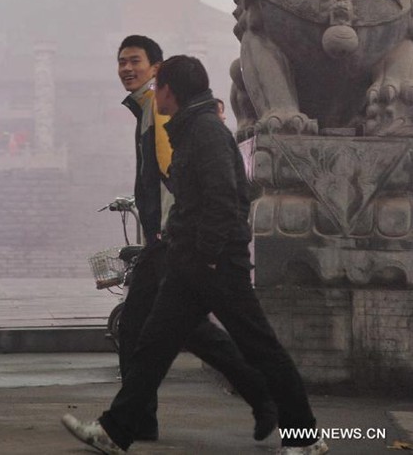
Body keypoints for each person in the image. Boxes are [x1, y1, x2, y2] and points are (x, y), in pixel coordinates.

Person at [62, 54, 328, 455]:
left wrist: (206, 256)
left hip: (216, 264)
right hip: (191, 262)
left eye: (159, 87)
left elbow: (224, 198)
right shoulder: (192, 128)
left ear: (170, 90)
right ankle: (115, 431)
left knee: (260, 347)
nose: (156, 95)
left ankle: (305, 438)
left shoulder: (204, 131)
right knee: (153, 346)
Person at [112, 36, 276, 442]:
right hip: (173, 236)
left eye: (135, 61)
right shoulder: (149, 109)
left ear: (158, 69)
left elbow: (176, 176)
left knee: (141, 326)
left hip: (173, 237)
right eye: (121, 62)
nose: (126, 69)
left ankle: (133, 421)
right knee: (186, 330)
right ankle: (261, 395)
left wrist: (169, 233)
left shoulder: (161, 111)